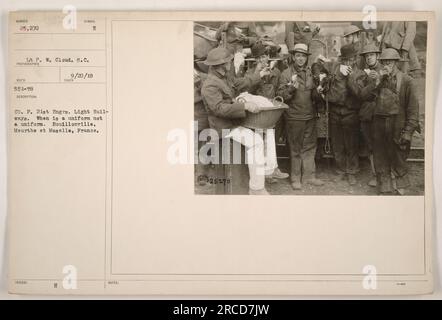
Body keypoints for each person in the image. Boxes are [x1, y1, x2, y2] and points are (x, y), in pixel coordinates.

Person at [200, 47, 275, 195]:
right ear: (222, 65)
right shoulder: (209, 85)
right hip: (223, 129)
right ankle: (256, 188)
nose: (230, 63)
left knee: (259, 137)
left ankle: (257, 184)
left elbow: (240, 83)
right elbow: (219, 109)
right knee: (257, 142)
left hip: (232, 124)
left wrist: (259, 74)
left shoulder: (223, 78)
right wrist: (245, 105)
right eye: (229, 61)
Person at [370, 48, 420, 194]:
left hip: (398, 123)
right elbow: (366, 97)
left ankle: (401, 186)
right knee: (380, 155)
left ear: (396, 63)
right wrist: (377, 81)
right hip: (379, 123)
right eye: (384, 62)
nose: (387, 64)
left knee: (398, 155)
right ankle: (385, 187)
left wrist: (408, 131)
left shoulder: (407, 81)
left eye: (390, 62)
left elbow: (413, 109)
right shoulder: (378, 79)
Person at [277, 43, 324, 190]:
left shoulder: (311, 73)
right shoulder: (286, 73)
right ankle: (295, 178)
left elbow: (314, 95)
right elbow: (281, 96)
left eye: (303, 56)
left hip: (310, 116)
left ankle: (309, 176)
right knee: (295, 148)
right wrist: (291, 87)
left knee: (310, 147)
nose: (300, 59)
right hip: (294, 117)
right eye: (298, 55)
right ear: (293, 56)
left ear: (306, 58)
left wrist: (320, 90)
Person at [246, 43, 289, 183]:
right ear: (255, 59)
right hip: (257, 113)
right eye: (259, 57)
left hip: (271, 112)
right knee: (258, 142)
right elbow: (246, 91)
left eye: (265, 56)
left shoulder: (275, 72)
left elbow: (277, 91)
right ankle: (260, 174)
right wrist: (258, 74)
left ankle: (271, 171)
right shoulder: (249, 74)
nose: (263, 60)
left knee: (271, 140)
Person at [325, 44, 361, 186]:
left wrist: (350, 76)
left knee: (351, 144)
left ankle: (351, 172)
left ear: (355, 59)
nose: (348, 63)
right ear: (342, 59)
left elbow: (358, 94)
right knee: (337, 144)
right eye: (345, 60)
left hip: (351, 112)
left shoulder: (360, 73)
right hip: (335, 111)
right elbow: (318, 66)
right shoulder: (335, 68)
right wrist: (338, 74)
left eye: (351, 60)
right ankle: (340, 171)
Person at [356, 43, 384, 187]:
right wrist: (373, 84)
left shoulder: (384, 71)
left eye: (371, 55)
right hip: (367, 115)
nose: (369, 58)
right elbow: (361, 94)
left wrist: (379, 80)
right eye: (366, 56)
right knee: (371, 146)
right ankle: (375, 175)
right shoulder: (363, 73)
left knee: (383, 145)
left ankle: (385, 175)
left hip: (382, 114)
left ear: (378, 56)